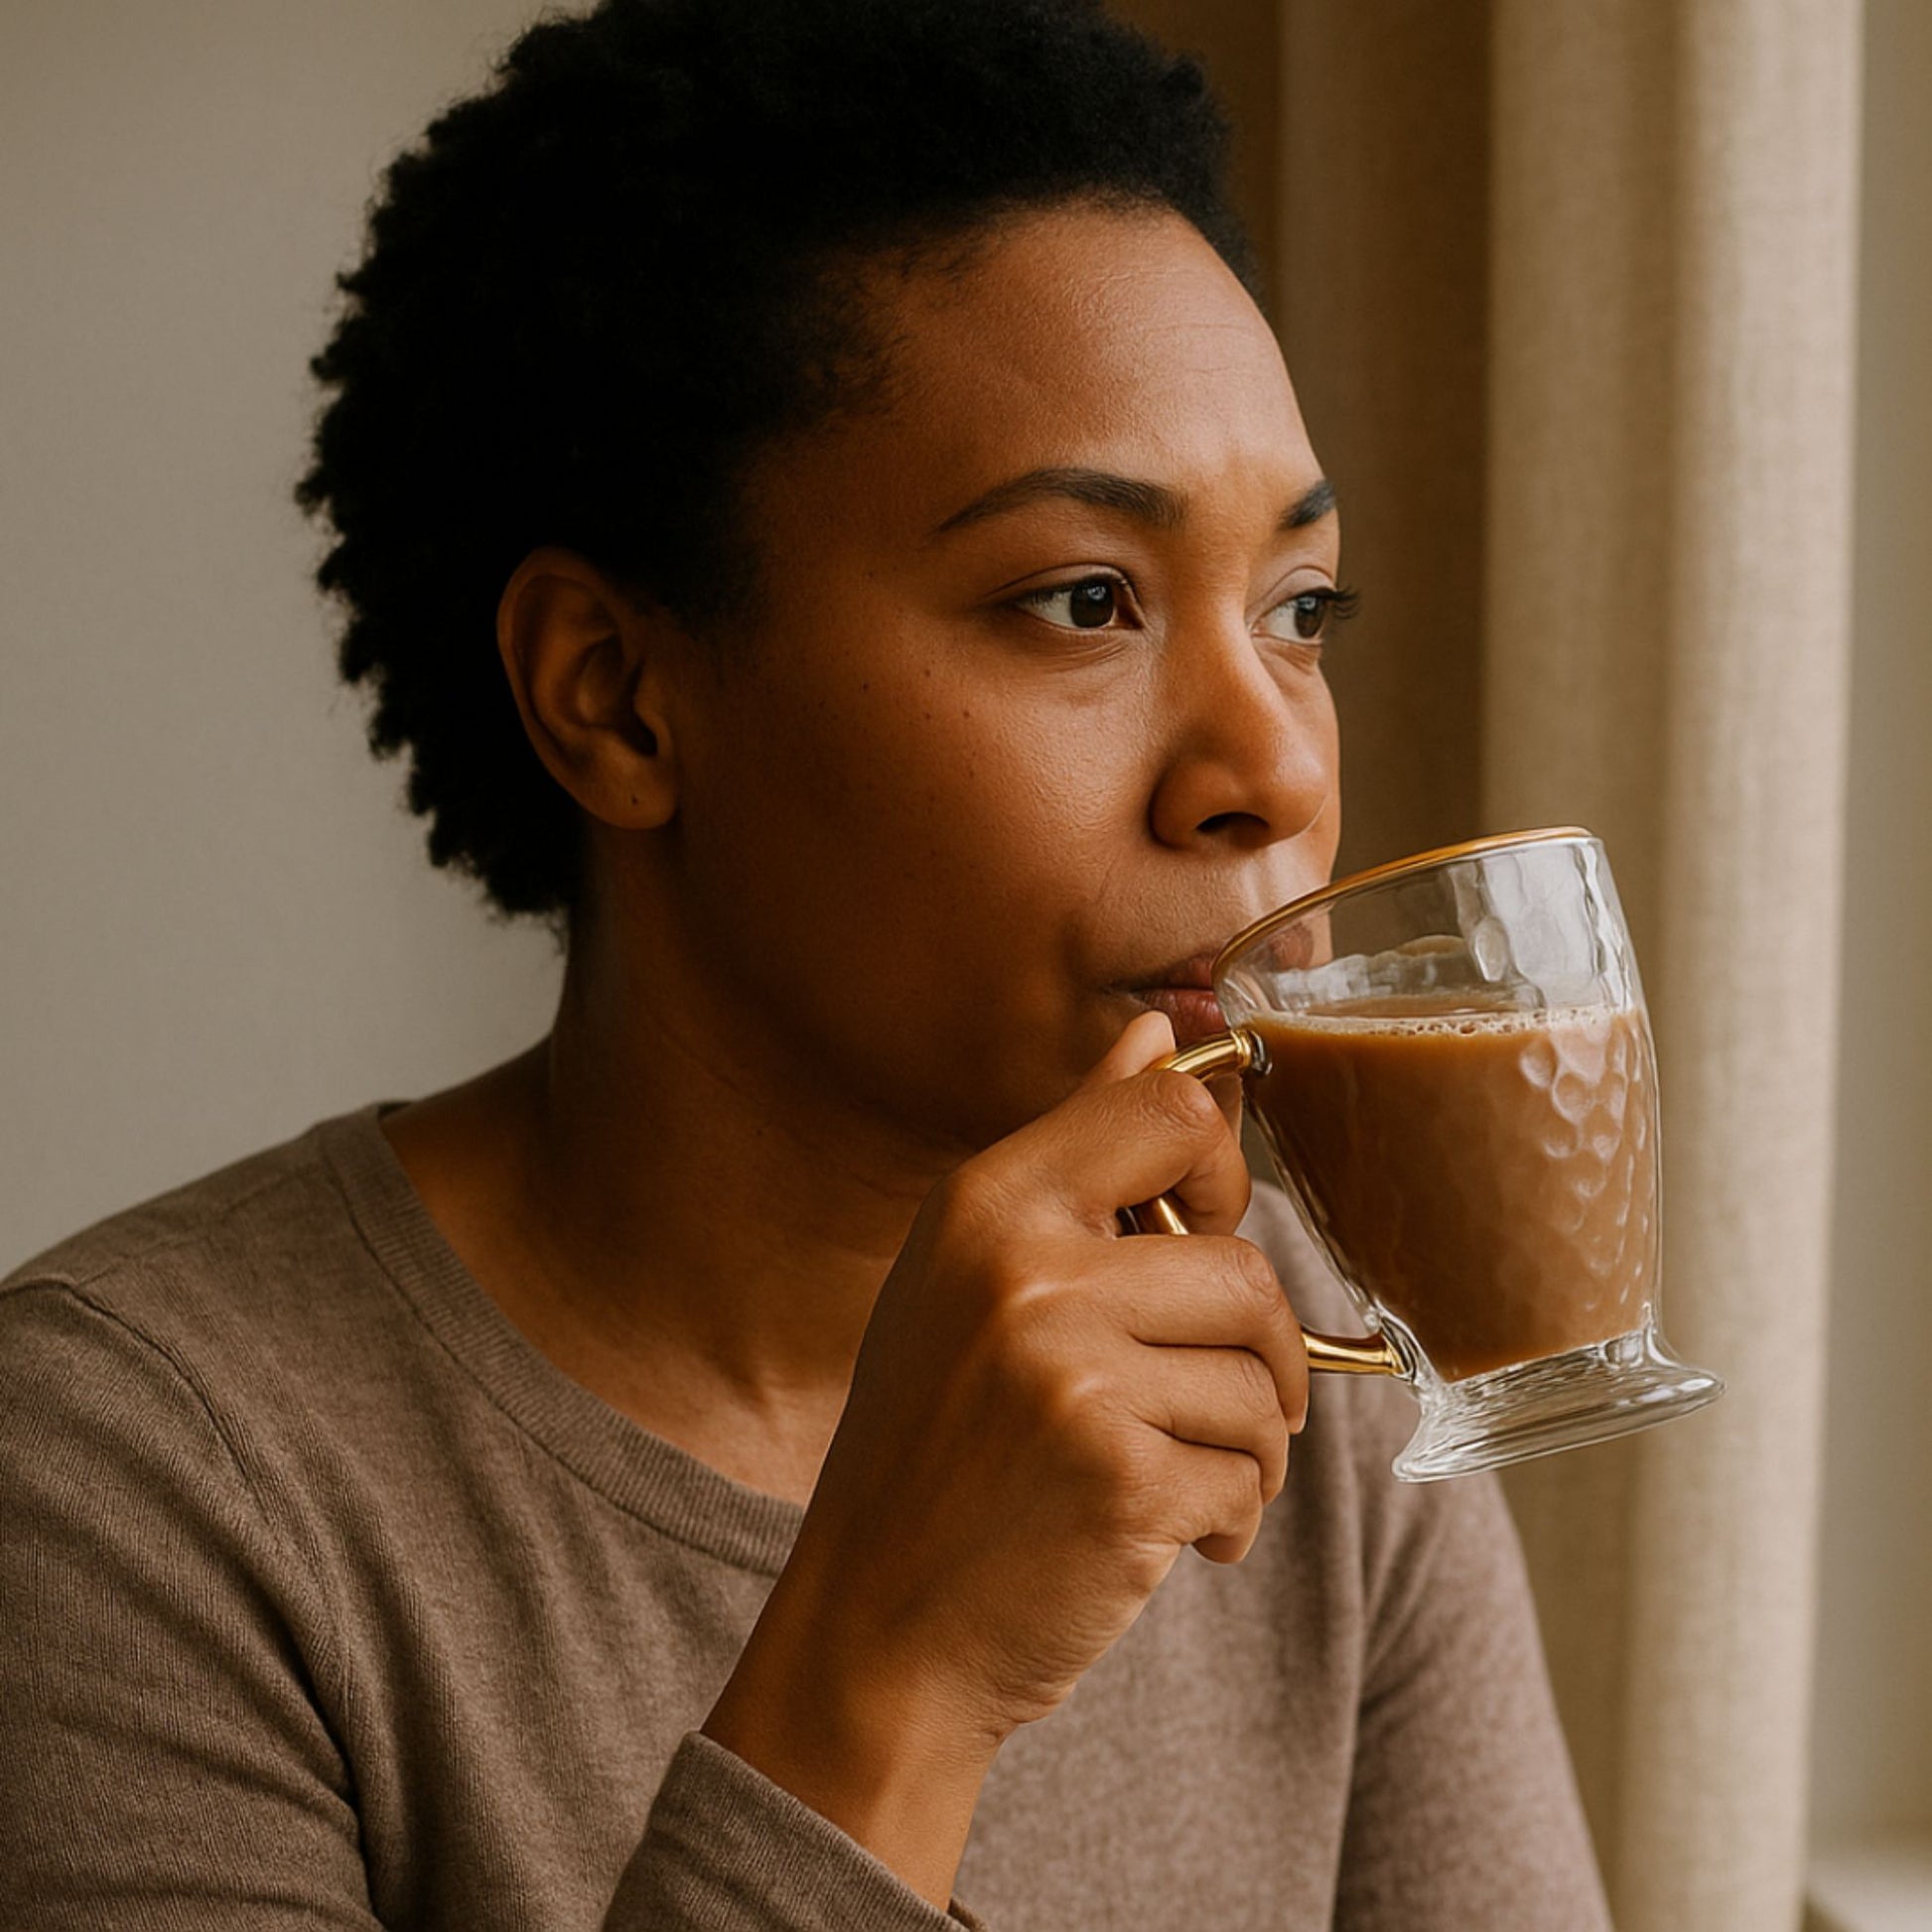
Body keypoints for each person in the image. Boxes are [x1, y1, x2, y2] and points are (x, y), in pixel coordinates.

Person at [0, 2, 1613, 1925]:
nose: (1268, 767)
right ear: (615, 697)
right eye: (1081, 600)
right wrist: (898, 1675)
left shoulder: (1311, 1365)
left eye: (1299, 606)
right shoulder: (128, 1490)